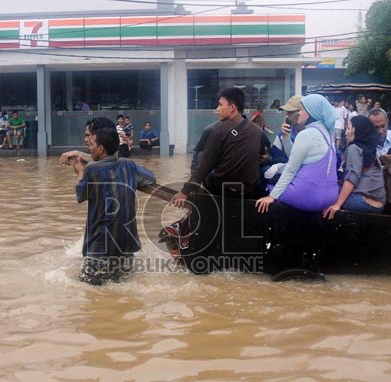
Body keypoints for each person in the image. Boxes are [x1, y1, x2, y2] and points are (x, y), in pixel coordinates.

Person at [65, 123, 156, 286]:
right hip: (126, 246)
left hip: (99, 248)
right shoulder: (128, 165)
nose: (89, 148)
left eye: (91, 144)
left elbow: (80, 195)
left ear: (100, 149)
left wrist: (79, 171)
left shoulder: (91, 169)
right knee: (122, 288)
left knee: (90, 291)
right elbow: (151, 178)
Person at [170, 87, 263, 208]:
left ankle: (198, 191)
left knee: (200, 155)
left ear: (232, 108)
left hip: (222, 189)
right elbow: (264, 155)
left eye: (220, 105)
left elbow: (205, 166)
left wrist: (185, 191)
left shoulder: (217, 130)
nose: (217, 109)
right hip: (249, 189)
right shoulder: (257, 130)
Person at [255, 94, 338, 214]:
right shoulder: (327, 132)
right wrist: (286, 138)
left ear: (311, 112)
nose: (299, 113)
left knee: (266, 181)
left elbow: (291, 169)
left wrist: (271, 197)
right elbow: (298, 159)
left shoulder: (306, 134)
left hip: (309, 197)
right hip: (330, 197)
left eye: (302, 110)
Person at [323, 115, 386, 217]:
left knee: (323, 196)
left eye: (349, 128)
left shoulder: (354, 148)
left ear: (357, 130)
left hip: (362, 202)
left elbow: (352, 178)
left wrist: (337, 204)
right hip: (378, 205)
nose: (346, 132)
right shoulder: (370, 148)